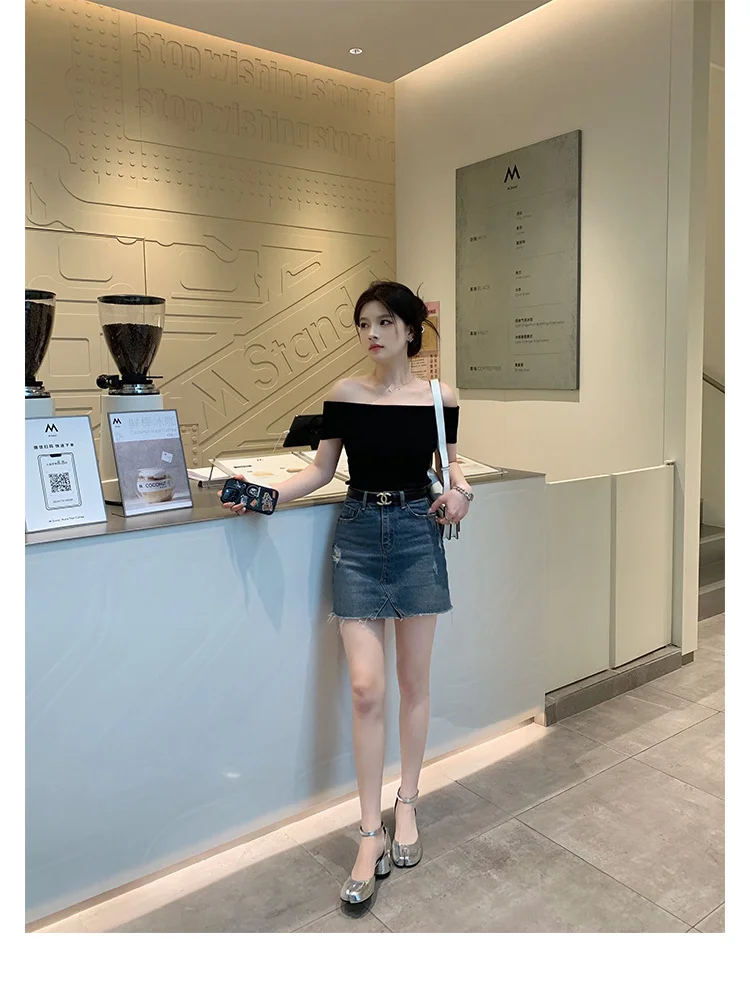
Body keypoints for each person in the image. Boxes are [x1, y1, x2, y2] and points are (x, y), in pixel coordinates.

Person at [221, 281, 473, 904]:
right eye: (364, 323)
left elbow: (450, 465)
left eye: (385, 322)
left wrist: (462, 491)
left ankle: (406, 802)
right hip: (358, 535)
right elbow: (320, 470)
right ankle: (368, 832)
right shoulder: (343, 394)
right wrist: (265, 494)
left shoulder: (439, 397)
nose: (372, 333)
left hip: (417, 532)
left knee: (414, 682)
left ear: (410, 329)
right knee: (366, 689)